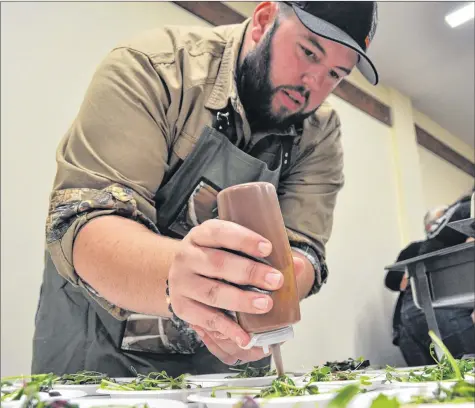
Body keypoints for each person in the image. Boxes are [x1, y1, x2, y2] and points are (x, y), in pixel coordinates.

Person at [32, 1, 379, 376]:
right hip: (96, 351)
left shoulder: (319, 133)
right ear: (264, 20)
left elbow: (305, 247)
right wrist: (179, 276)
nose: (314, 84)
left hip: (228, 362)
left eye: (336, 74)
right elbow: (85, 226)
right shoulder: (153, 68)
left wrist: (272, 287)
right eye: (308, 52)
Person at [385, 192, 475, 366]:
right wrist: (406, 275)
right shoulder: (414, 249)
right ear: (429, 227)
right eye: (439, 222)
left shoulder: (450, 241)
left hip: (429, 310)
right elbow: (391, 280)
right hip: (415, 315)